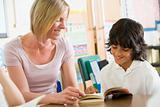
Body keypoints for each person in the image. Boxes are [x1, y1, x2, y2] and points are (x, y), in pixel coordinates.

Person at [4, 0, 84, 105]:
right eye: (58, 20)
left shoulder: (64, 45)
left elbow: (72, 89)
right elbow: (21, 95)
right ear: (42, 19)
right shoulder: (13, 49)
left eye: (65, 20)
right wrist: (55, 97)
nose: (64, 26)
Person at [99, 18, 160, 95]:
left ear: (136, 48)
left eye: (125, 49)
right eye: (114, 47)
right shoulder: (105, 73)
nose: (118, 53)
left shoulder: (148, 73)